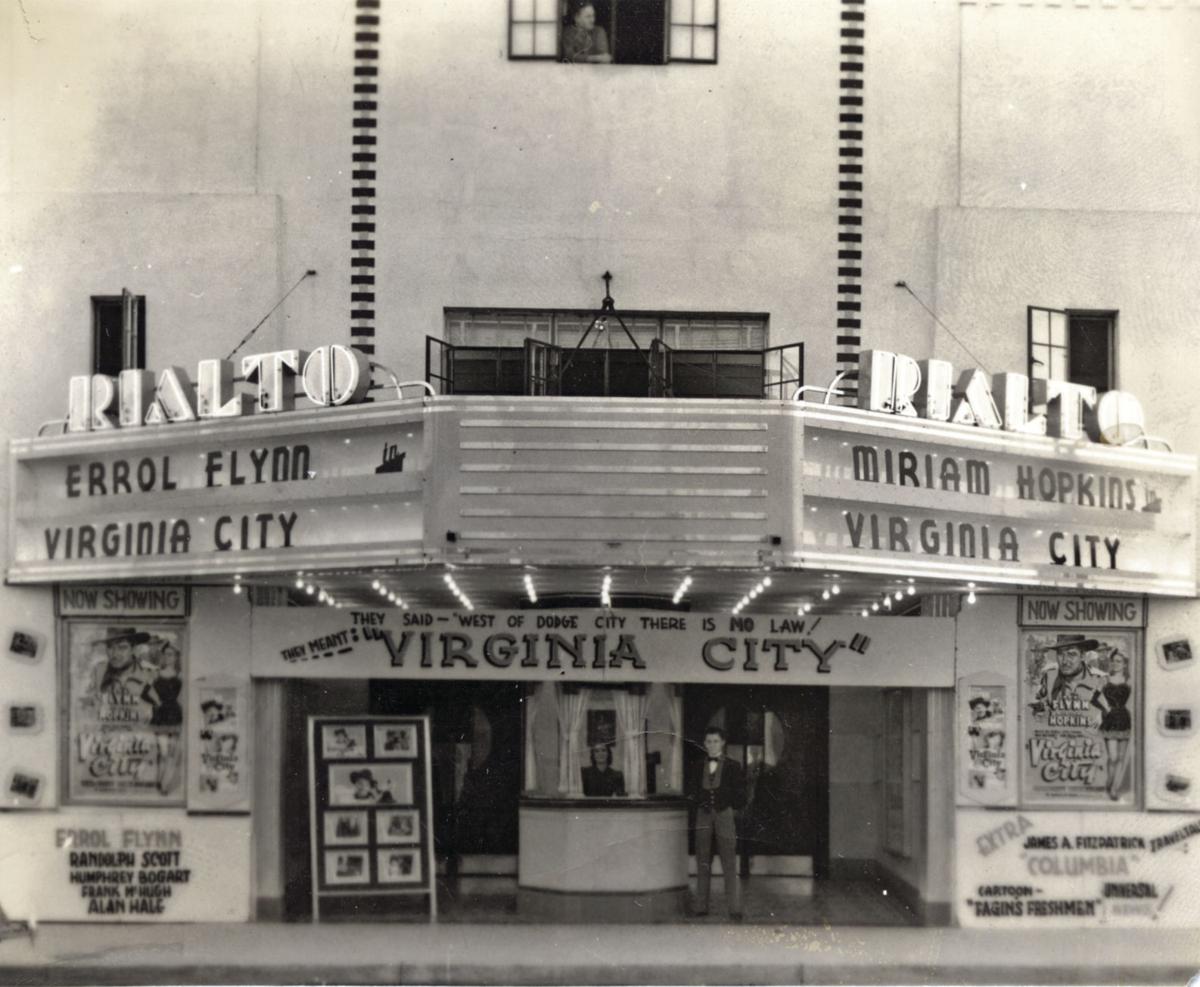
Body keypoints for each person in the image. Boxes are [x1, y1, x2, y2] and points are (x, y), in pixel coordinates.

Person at [690, 726, 745, 920]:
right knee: (702, 860)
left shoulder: (733, 765)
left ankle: (735, 908)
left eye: (715, 741)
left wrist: (728, 805)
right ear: (704, 744)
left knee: (729, 860)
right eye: (708, 741)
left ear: (722, 743)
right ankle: (700, 906)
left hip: (724, 814)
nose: (712, 745)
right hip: (703, 815)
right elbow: (693, 791)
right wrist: (701, 804)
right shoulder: (697, 765)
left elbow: (740, 794)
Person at [141, 640, 184, 795]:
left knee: (172, 753)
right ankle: (161, 783)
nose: (168, 657)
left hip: (175, 715)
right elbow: (144, 692)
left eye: (171, 654)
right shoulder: (156, 674)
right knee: (163, 752)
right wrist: (156, 701)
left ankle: (164, 783)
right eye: (166, 654)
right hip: (161, 715)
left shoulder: (181, 675)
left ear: (177, 657)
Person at [1091, 650, 1133, 800]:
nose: (1115, 664)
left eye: (1119, 661)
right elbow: (1093, 699)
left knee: (1121, 757)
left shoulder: (1129, 680)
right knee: (1113, 757)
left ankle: (1114, 788)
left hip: (1124, 719)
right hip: (1110, 719)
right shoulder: (1105, 679)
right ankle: (1109, 782)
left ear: (1125, 664)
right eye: (1113, 661)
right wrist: (1104, 709)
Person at [1030, 635, 1103, 714]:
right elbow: (1039, 703)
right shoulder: (1049, 678)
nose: (1064, 661)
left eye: (1071, 654)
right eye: (1060, 654)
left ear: (1082, 655)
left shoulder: (1099, 682)